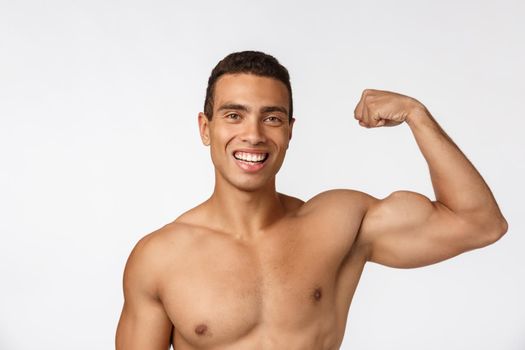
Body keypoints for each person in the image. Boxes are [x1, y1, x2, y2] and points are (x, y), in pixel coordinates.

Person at [115, 51, 507, 349]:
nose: (253, 135)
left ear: (289, 130)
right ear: (206, 128)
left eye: (272, 118)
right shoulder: (160, 257)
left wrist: (416, 114)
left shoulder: (337, 224)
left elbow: (480, 223)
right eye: (234, 115)